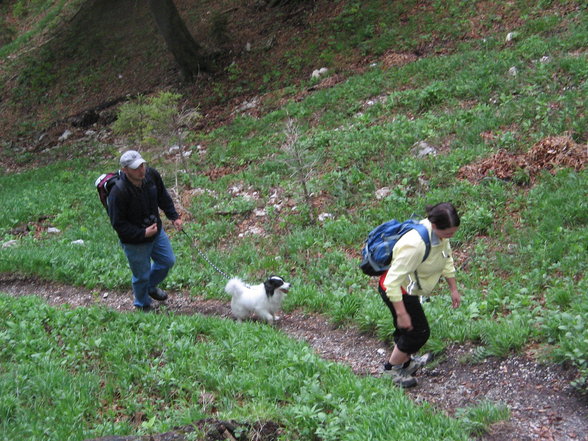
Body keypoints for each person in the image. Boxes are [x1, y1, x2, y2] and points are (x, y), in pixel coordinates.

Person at [379, 202, 461, 387]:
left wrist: (453, 289)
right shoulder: (415, 245)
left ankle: (406, 363)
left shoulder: (440, 237)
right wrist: (401, 313)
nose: (451, 236)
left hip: (409, 288)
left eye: (453, 232)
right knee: (418, 332)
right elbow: (391, 282)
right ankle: (391, 370)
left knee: (409, 330)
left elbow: (446, 259)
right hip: (396, 289)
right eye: (448, 233)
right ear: (434, 225)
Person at [107, 150, 183, 311]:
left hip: (156, 231)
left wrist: (174, 216)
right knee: (141, 275)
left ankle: (149, 287)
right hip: (134, 241)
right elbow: (118, 224)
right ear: (125, 170)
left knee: (167, 261)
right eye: (136, 168)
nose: (141, 170)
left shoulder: (151, 176)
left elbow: (163, 196)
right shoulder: (118, 192)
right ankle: (142, 304)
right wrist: (142, 234)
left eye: (142, 165)